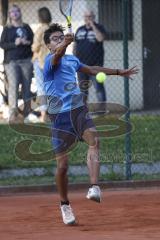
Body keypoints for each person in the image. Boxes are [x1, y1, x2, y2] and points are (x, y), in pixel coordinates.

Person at [43, 23, 138, 225]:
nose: (59, 39)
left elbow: (92, 69)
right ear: (48, 45)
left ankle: (94, 187)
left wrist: (119, 72)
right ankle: (65, 205)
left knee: (94, 141)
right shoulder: (50, 61)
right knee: (63, 167)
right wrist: (65, 43)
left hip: (79, 110)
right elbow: (58, 55)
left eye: (62, 37)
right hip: (59, 117)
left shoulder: (72, 59)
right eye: (55, 38)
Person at [0, 4, 33, 123]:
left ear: (20, 13)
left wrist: (26, 42)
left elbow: (32, 42)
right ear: (9, 15)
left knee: (26, 87)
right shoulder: (7, 29)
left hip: (26, 61)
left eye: (16, 11)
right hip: (11, 62)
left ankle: (26, 114)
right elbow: (2, 44)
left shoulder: (26, 27)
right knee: (13, 87)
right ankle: (13, 115)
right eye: (12, 12)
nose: (14, 13)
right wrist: (15, 43)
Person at [73, 10, 107, 106]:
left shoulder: (99, 27)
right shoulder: (80, 29)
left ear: (94, 17)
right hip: (81, 65)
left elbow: (100, 38)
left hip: (95, 65)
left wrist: (93, 25)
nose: (88, 18)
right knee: (83, 90)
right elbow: (75, 46)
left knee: (98, 88)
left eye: (90, 16)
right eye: (86, 16)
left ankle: (102, 111)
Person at [32, 7, 52, 123]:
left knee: (41, 87)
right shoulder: (53, 29)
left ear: (39, 17)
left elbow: (35, 47)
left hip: (40, 61)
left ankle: (44, 114)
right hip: (51, 61)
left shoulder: (40, 30)